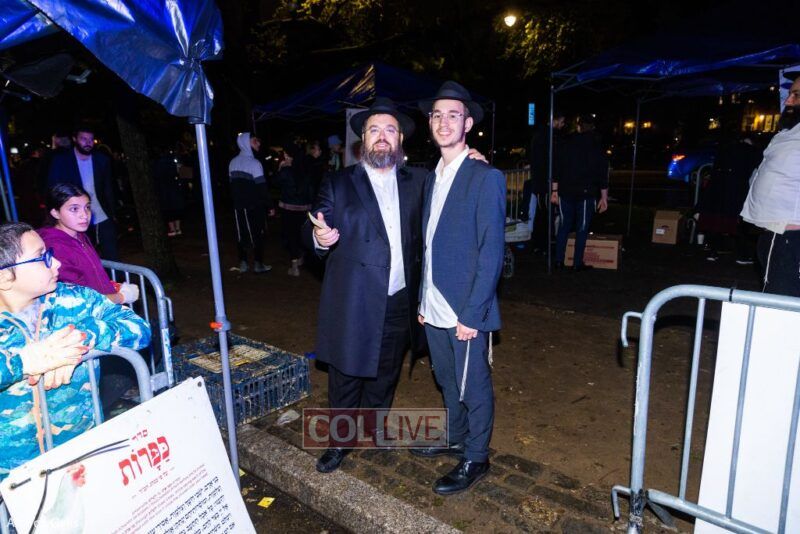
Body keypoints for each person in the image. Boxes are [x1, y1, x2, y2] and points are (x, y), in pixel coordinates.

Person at [305, 98, 426, 473]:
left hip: (400, 298)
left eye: (390, 129)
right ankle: (339, 441)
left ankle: (374, 427)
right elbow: (316, 222)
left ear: (400, 138)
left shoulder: (419, 181)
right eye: (374, 129)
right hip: (355, 299)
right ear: (363, 141)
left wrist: (473, 159)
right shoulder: (339, 182)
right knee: (347, 373)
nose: (382, 136)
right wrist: (319, 238)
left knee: (385, 371)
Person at [0, 222, 151, 481]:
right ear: (5, 277)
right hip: (12, 478)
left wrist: (82, 339)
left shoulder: (75, 299)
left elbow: (140, 329)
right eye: (41, 257)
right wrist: (24, 363)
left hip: (82, 458)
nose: (56, 263)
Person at [412, 81, 506, 496]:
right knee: (448, 380)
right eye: (437, 115)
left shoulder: (485, 177)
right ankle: (455, 438)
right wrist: (422, 299)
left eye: (453, 115)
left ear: (468, 123)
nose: (444, 122)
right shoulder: (432, 177)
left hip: (465, 308)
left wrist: (473, 314)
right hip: (434, 302)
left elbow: (492, 252)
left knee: (474, 386)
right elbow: (430, 244)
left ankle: (476, 457)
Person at [741, 72, 800, 296]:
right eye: (790, 94)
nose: (788, 101)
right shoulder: (788, 133)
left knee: (781, 300)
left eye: (796, 95)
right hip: (774, 232)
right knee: (776, 295)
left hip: (789, 234)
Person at [37, 183, 139, 305]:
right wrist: (121, 297)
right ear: (55, 213)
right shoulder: (55, 248)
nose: (85, 215)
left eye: (87, 207)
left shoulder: (79, 235)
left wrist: (112, 286)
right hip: (88, 315)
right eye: (74, 209)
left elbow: (90, 278)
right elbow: (79, 301)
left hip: (101, 309)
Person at [46, 125, 118, 261]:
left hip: (102, 213)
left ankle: (113, 276)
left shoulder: (102, 160)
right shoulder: (61, 161)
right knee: (84, 256)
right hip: (76, 216)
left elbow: (108, 188)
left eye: (90, 139)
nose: (88, 143)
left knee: (112, 254)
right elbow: (53, 188)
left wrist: (113, 213)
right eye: (83, 139)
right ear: (74, 139)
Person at [551, 115, 609, 270]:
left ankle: (559, 260)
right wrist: (604, 197)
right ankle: (577, 263)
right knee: (582, 228)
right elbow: (602, 173)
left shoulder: (566, 142)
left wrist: (555, 190)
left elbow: (557, 168)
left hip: (566, 191)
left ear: (579, 127)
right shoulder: (596, 144)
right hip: (586, 192)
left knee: (564, 225)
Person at [229, 132, 274, 273]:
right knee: (258, 234)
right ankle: (258, 264)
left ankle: (243, 263)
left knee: (241, 233)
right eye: (255, 141)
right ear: (245, 143)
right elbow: (262, 188)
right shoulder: (255, 163)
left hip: (238, 206)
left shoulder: (232, 162)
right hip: (255, 205)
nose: (258, 143)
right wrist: (270, 205)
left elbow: (232, 186)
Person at [523, 110, 566, 250]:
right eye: (561, 122)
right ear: (555, 120)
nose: (562, 125)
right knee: (548, 214)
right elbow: (554, 162)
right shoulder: (551, 137)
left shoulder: (539, 135)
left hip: (539, 181)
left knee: (542, 213)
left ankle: (539, 243)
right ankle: (545, 243)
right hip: (547, 182)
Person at [274, 148, 314, 276]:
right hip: (304, 209)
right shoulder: (305, 170)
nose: (284, 156)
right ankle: (301, 257)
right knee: (301, 234)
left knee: (291, 236)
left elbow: (275, 183)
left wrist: (280, 168)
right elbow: (310, 189)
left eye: (286, 154)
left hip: (288, 208)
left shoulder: (285, 171)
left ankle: (294, 265)